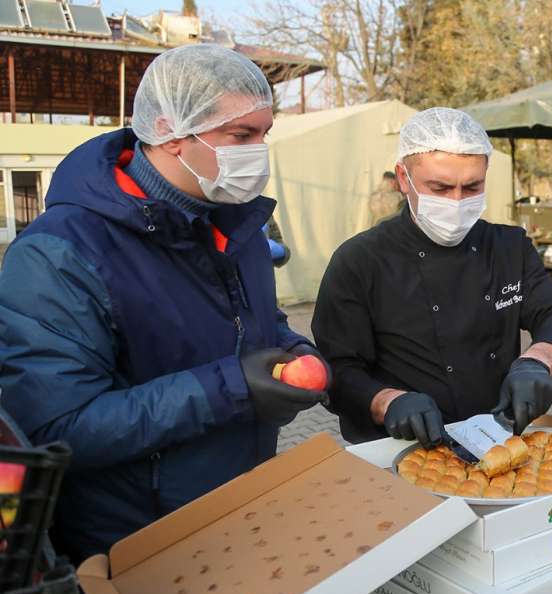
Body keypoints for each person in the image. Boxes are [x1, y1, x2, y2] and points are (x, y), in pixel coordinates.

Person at [0, 43, 328, 564]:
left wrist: (292, 351)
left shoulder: (235, 221)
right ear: (171, 132)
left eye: (265, 133)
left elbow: (258, 323)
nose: (258, 151)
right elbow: (57, 429)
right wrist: (234, 388)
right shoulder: (60, 253)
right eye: (241, 135)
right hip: (138, 546)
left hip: (241, 511)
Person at [313, 108, 552, 446]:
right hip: (402, 450)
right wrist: (386, 401)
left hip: (499, 439)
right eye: (440, 188)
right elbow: (338, 368)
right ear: (403, 178)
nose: (457, 202)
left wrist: (539, 360)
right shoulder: (359, 261)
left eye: (472, 187)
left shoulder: (508, 247)